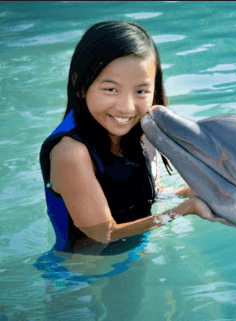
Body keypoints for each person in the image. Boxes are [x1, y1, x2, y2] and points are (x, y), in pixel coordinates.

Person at [39, 21, 213, 255]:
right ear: (81, 85)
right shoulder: (70, 153)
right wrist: (183, 210)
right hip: (84, 277)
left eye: (141, 91)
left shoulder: (140, 131)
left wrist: (187, 192)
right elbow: (103, 233)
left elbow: (149, 189)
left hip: (131, 254)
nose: (126, 107)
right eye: (111, 89)